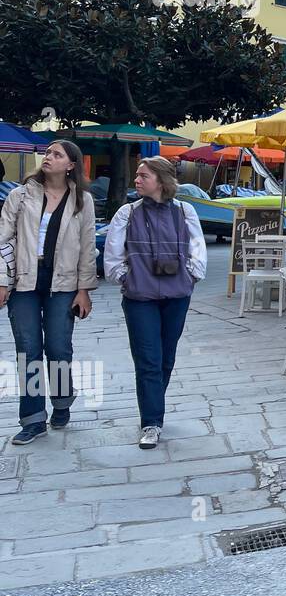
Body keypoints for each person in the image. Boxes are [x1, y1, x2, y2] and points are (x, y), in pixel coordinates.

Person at [102, 157, 207, 449]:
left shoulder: (185, 211)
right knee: (148, 359)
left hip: (177, 295)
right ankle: (151, 421)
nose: (136, 180)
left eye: (142, 176)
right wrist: (127, 278)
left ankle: (153, 405)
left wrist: (191, 277)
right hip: (139, 298)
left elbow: (197, 247)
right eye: (136, 175)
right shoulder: (127, 213)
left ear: (160, 181)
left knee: (166, 357)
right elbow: (112, 254)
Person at [0, 140, 97, 446]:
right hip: (24, 281)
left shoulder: (82, 200)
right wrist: (2, 281)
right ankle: (32, 420)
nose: (49, 157)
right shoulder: (21, 195)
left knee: (58, 348)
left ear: (71, 165)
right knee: (28, 350)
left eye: (57, 154)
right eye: (48, 153)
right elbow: (3, 240)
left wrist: (85, 290)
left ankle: (63, 399)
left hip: (64, 283)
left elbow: (87, 247)